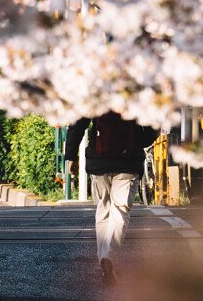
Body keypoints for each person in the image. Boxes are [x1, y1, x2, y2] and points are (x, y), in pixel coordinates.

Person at [65, 112, 158, 286]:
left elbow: (78, 123)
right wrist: (138, 139)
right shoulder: (137, 91)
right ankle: (109, 256)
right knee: (120, 212)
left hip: (99, 161)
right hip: (128, 163)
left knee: (103, 210)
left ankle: (104, 259)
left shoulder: (96, 93)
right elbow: (151, 129)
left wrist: (71, 155)